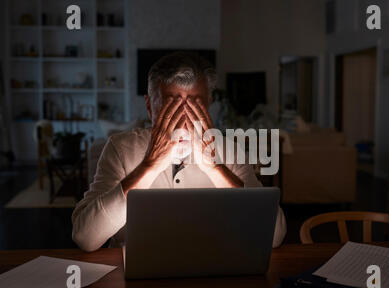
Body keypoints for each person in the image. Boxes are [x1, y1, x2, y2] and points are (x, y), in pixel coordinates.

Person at [72, 52, 286, 252]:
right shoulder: (120, 148)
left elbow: (274, 235)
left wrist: (216, 169)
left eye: (195, 107)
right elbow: (86, 238)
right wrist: (148, 167)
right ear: (149, 106)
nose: (183, 122)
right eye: (170, 109)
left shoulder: (229, 148)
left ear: (208, 104)